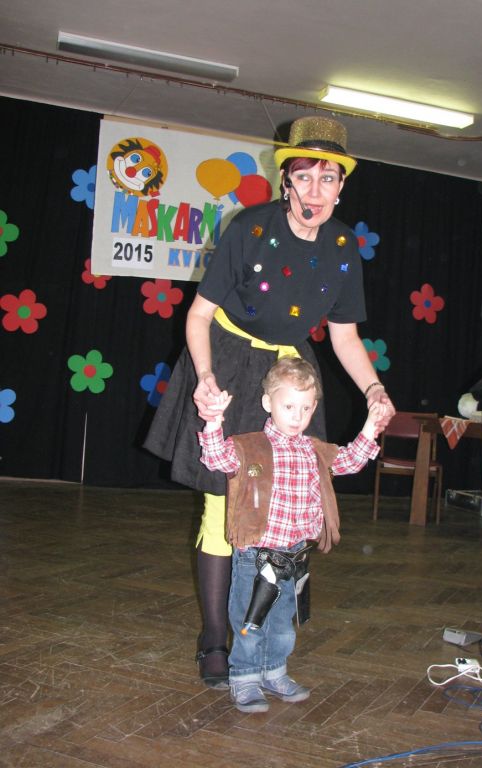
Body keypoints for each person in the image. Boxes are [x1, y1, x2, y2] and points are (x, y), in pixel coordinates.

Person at [144, 115, 396, 689]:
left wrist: (374, 389)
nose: (315, 190)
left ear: (341, 186)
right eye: (304, 176)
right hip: (228, 361)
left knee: (282, 509)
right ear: (286, 181)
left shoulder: (343, 246)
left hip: (288, 373)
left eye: (327, 178)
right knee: (224, 506)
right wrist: (205, 378)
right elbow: (199, 315)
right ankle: (215, 639)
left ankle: (264, 643)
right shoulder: (250, 228)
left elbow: (344, 336)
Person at [198, 357, 384, 712]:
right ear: (268, 403)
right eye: (289, 407)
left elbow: (348, 460)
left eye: (306, 408)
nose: (298, 416)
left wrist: (371, 427)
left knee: (282, 621)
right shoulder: (249, 445)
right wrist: (213, 421)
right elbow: (216, 459)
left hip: (294, 555)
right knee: (249, 618)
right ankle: (244, 677)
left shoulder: (313, 450)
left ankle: (274, 671)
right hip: (255, 553)